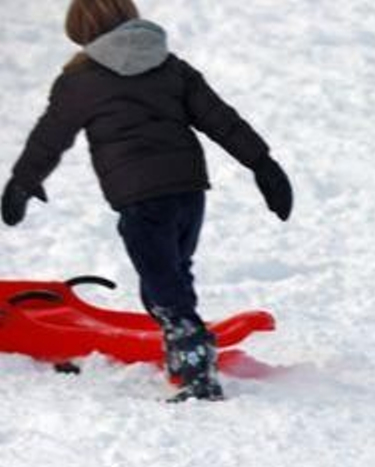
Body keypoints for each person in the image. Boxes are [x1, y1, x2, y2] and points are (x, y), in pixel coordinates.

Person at [2, 0, 293, 401]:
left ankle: (196, 370)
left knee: (162, 287)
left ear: (82, 32)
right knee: (173, 272)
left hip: (139, 197)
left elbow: (50, 137)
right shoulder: (170, 66)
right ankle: (185, 344)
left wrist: (22, 181)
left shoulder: (81, 80)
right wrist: (263, 165)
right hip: (188, 189)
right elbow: (221, 119)